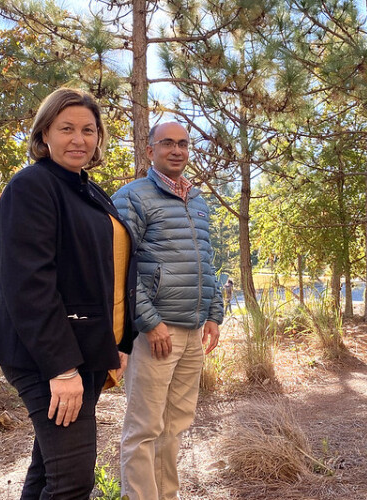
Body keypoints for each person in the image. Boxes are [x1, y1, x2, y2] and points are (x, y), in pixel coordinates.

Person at [0, 87, 137, 499]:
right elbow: (28, 284)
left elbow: (105, 275)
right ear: (45, 133)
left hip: (83, 349)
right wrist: (61, 368)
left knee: (48, 472)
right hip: (45, 356)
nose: (79, 139)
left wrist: (117, 342)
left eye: (89, 130)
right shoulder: (32, 186)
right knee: (72, 482)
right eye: (66, 128)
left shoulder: (86, 189)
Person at [114, 121, 223, 500]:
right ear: (150, 151)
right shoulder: (132, 197)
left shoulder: (197, 199)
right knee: (144, 428)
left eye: (183, 143)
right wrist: (149, 321)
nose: (176, 150)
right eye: (167, 143)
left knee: (175, 425)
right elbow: (121, 268)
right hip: (156, 333)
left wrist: (213, 313)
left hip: (193, 330)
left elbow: (206, 260)